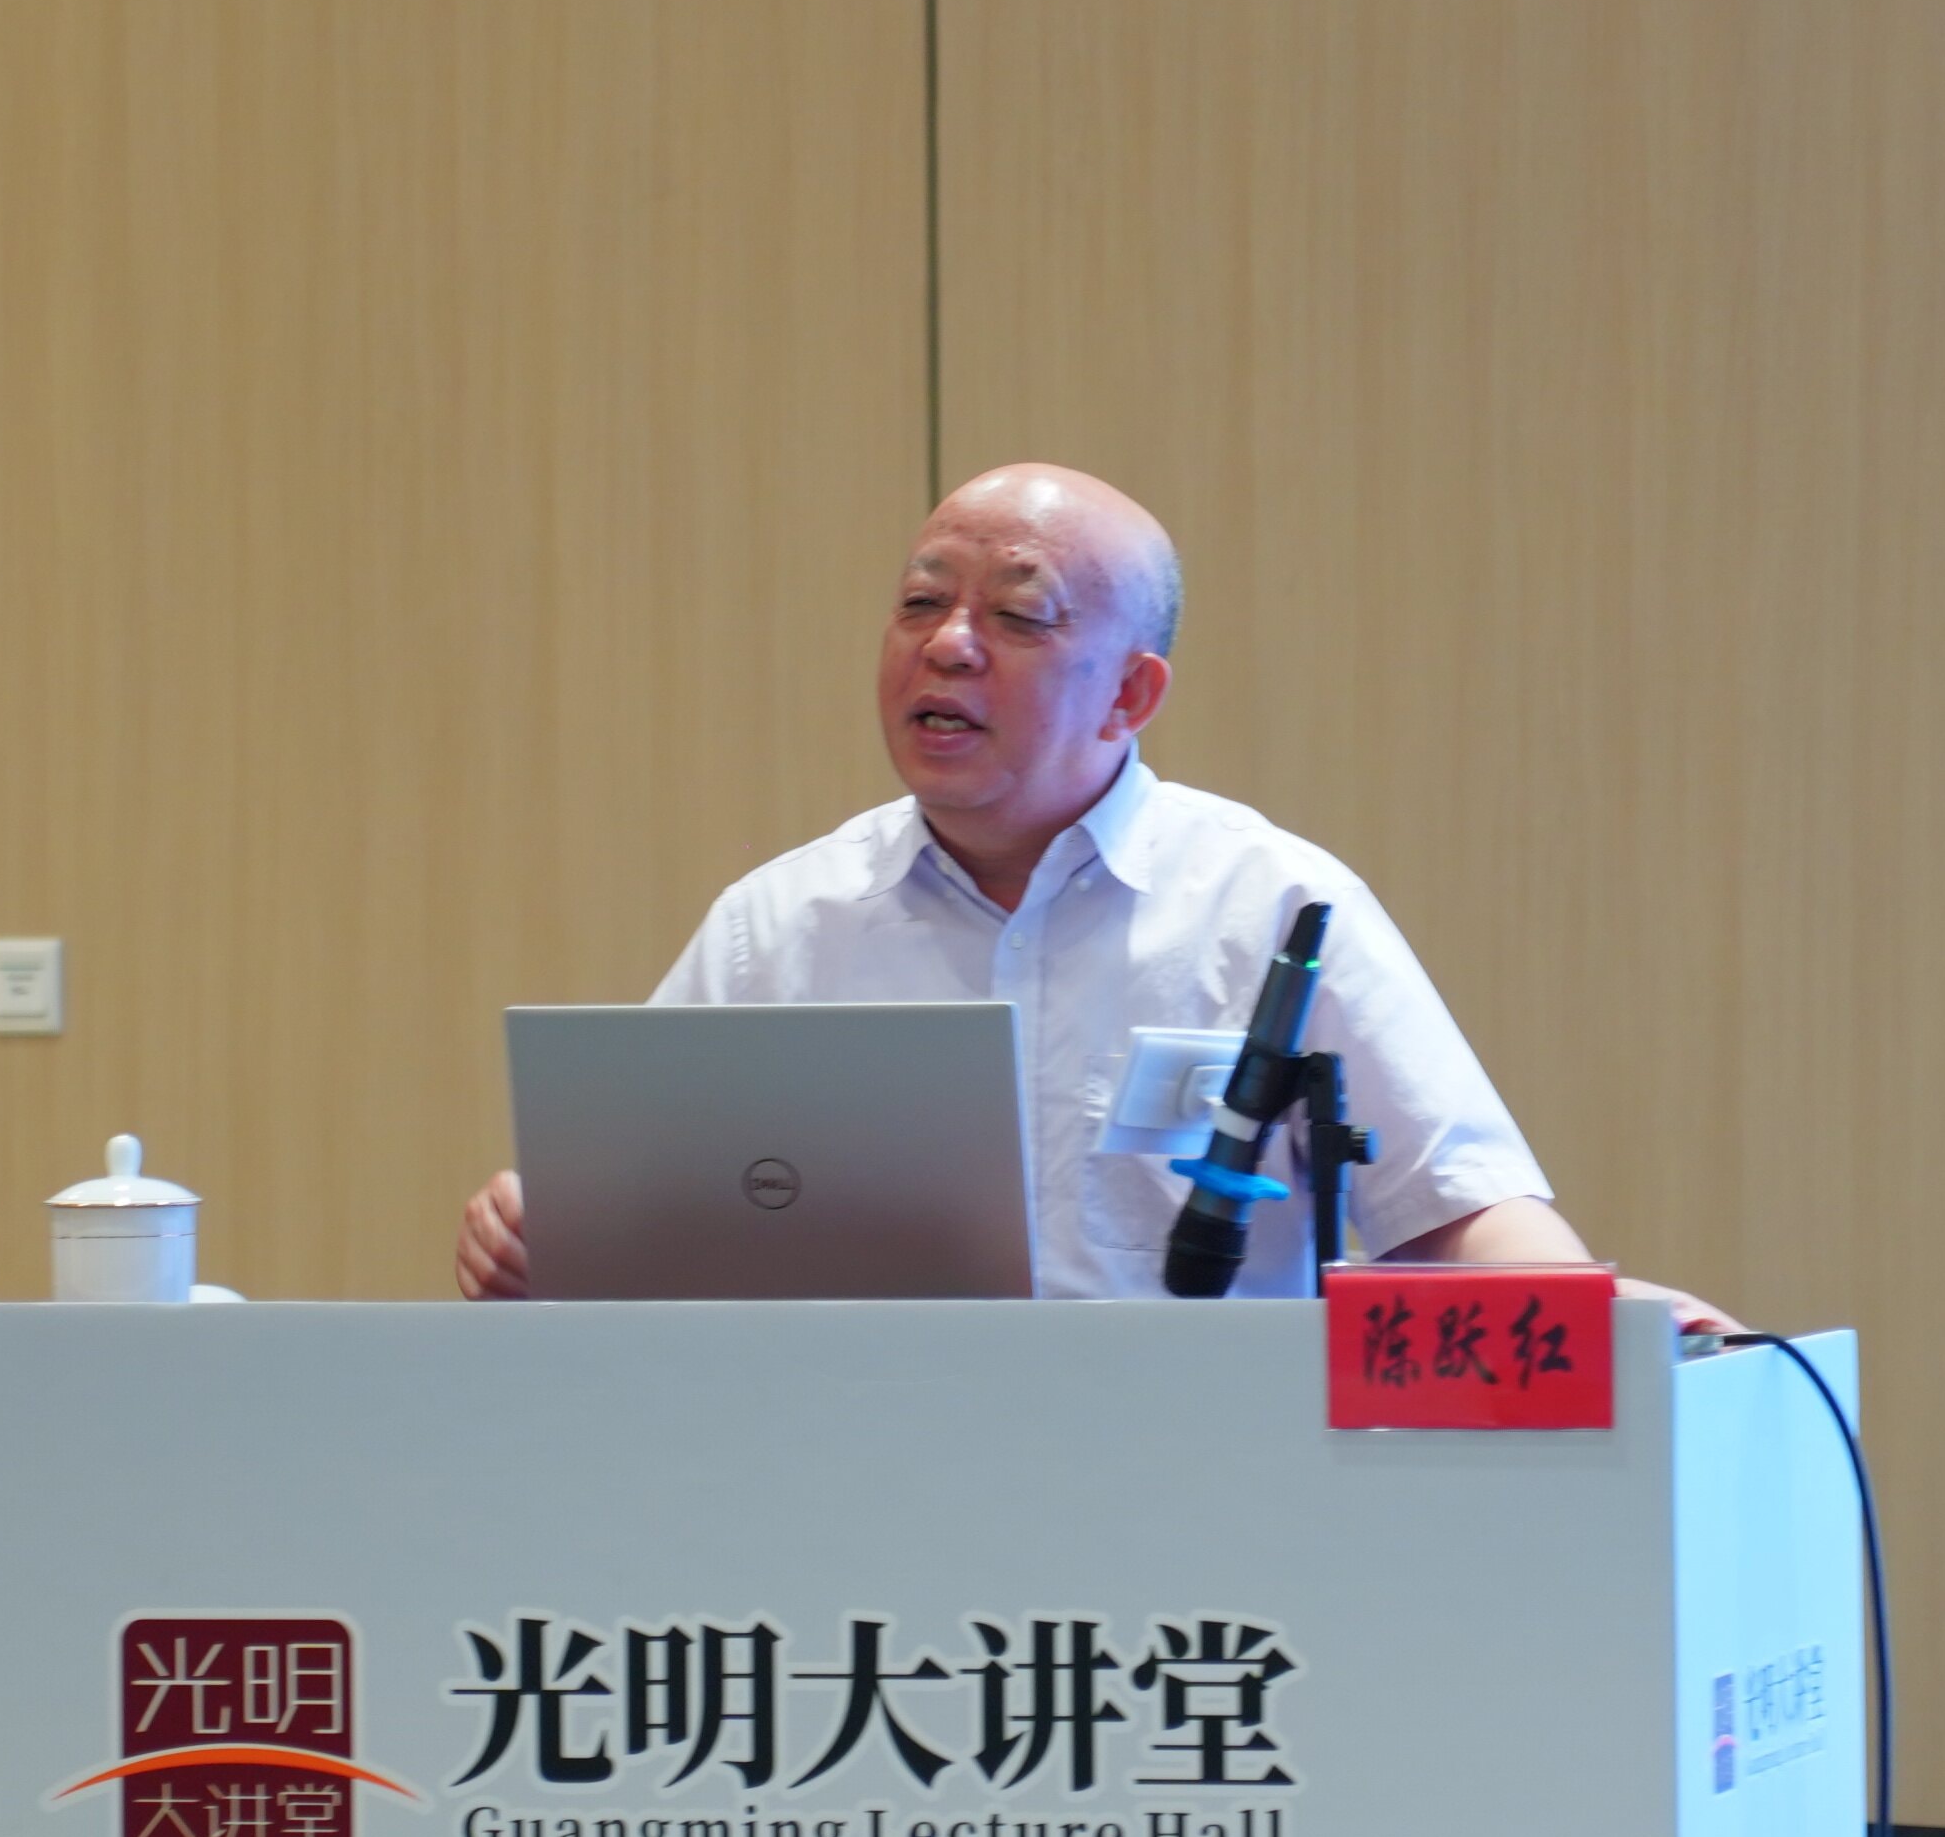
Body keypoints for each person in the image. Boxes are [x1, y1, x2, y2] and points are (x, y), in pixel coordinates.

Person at [456, 462, 1727, 1324]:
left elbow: (1456, 1217)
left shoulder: (1270, 907)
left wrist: (1601, 1324)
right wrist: (537, 1231)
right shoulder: (779, 927)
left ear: (1130, 693)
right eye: (920, 603)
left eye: (1019, 616)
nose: (948, 643)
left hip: (1198, 1526)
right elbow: (636, 1227)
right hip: (852, 1512)